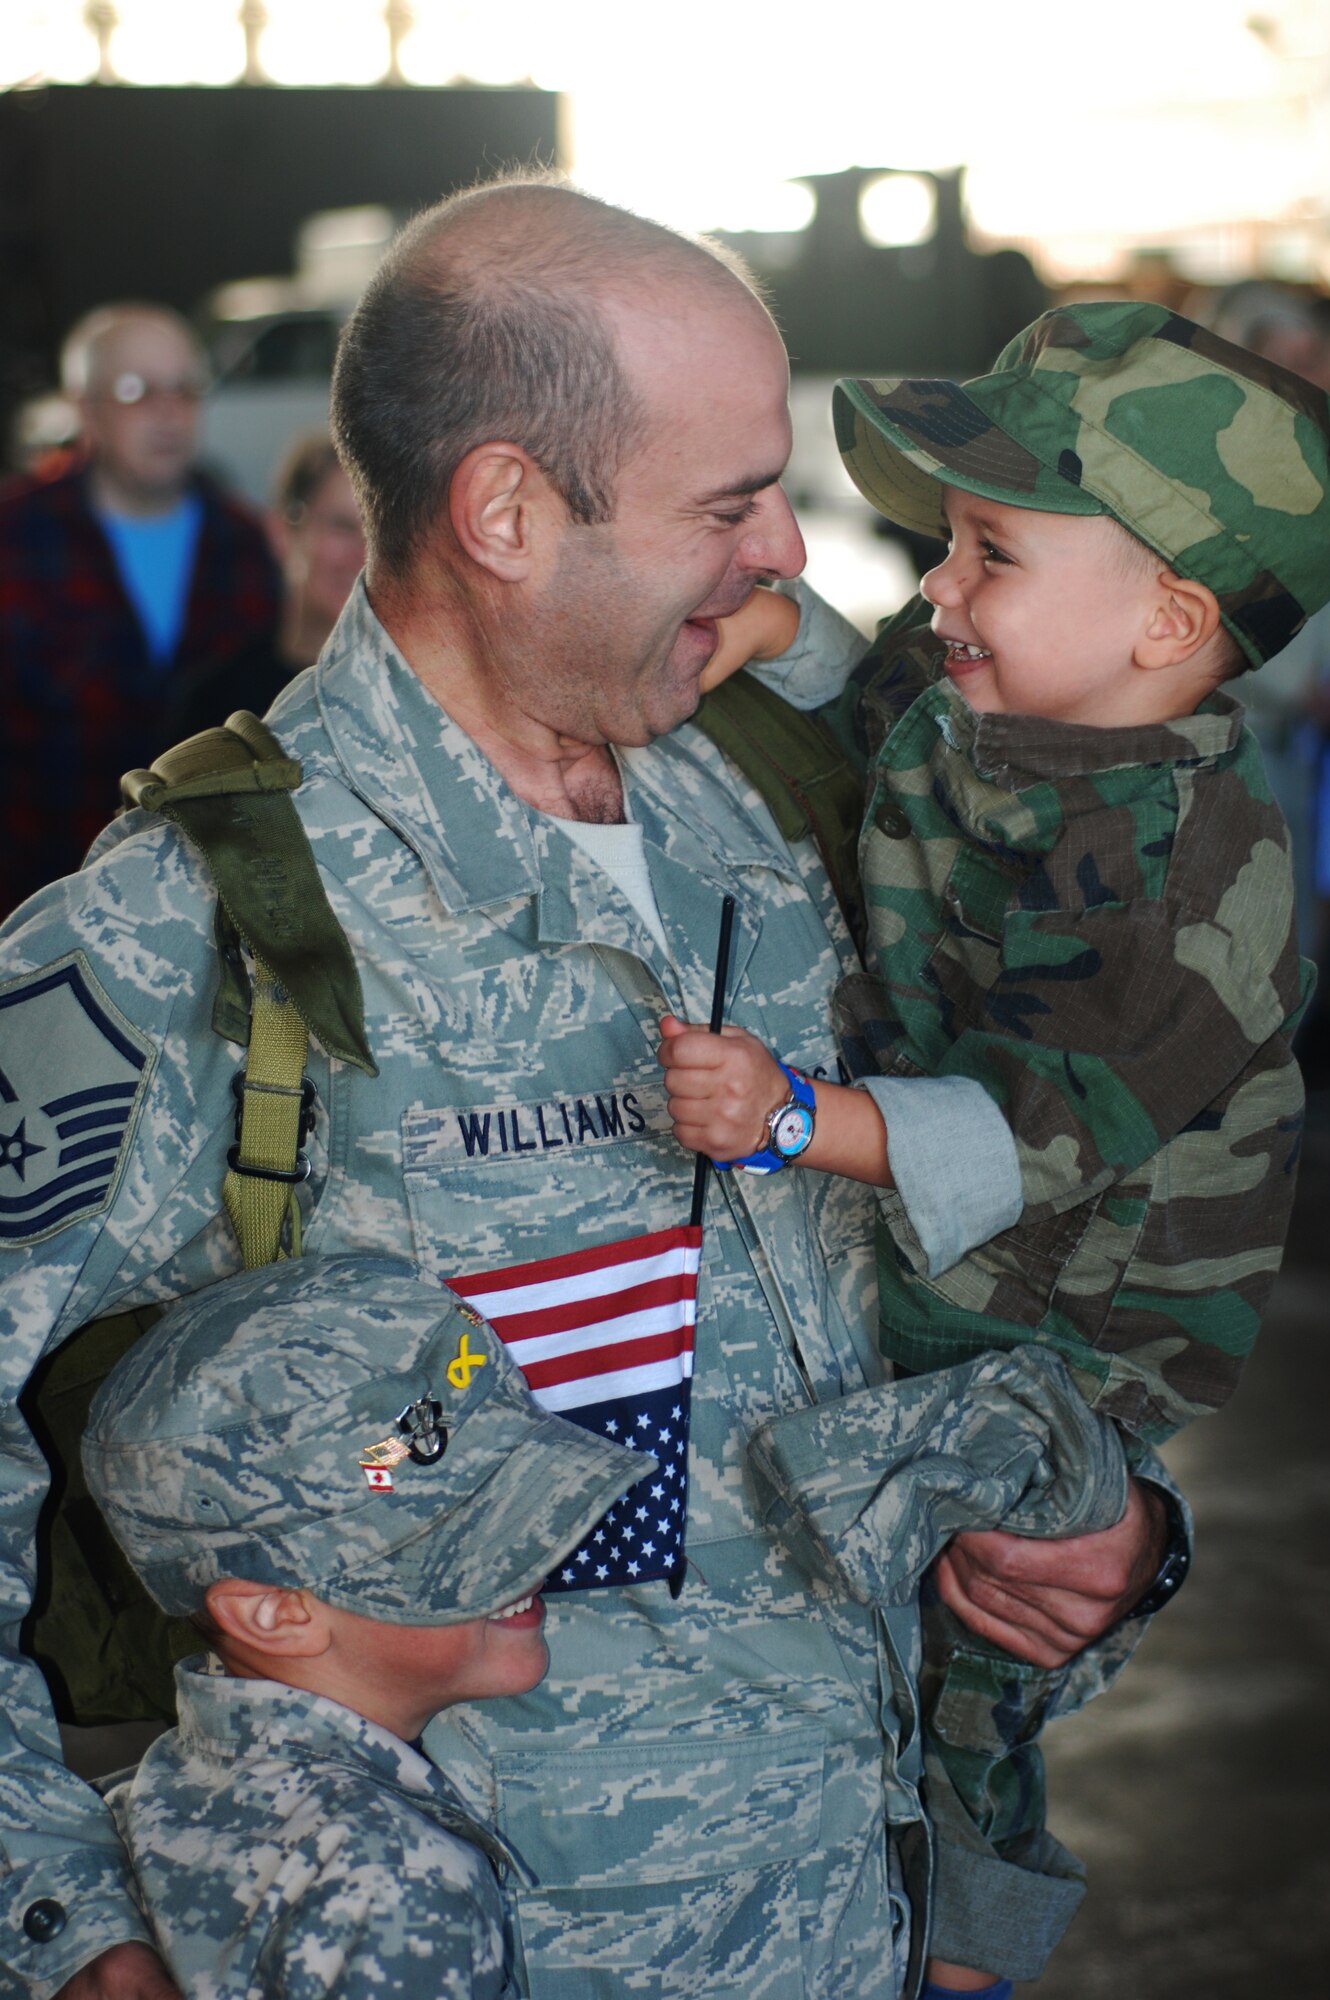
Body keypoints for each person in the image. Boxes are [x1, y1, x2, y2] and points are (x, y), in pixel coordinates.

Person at [0, 181, 1170, 2000]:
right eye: (725, 501)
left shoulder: (791, 816)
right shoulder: (189, 934)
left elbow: (1010, 1216)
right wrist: (75, 1938)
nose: (786, 546)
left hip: (872, 1917)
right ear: (507, 511)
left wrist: (1109, 1517)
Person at [660, 302, 1330, 1991]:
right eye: (943, 546)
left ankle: (967, 1957)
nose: (936, 588)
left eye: (986, 552)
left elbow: (1041, 1134)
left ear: (1168, 620)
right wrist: (782, 631)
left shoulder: (1199, 880)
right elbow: (881, 693)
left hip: (1061, 1313)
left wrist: (790, 1121)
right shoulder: (1003, 675)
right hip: (937, 1258)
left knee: (971, 1671)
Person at [84, 1253, 650, 1999]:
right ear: (274, 1613)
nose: (540, 1555)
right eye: (459, 1538)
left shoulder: (130, 1805)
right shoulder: (401, 1883)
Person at [0, 303, 281, 919]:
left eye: (184, 389)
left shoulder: (244, 543)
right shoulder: (16, 540)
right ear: (84, 407)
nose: (168, 413)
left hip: (201, 914)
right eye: (136, 391)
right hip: (39, 903)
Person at [169, 433, 367, 739]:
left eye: (379, 534)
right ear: (282, 532)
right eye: (342, 527)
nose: (363, 554)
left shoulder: (426, 698)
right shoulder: (214, 708)